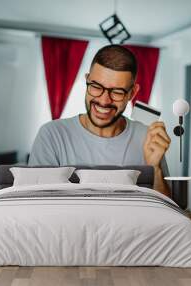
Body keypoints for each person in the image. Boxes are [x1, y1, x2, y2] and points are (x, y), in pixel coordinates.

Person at [29, 44, 171, 197]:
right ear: (87, 80)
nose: (104, 101)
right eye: (96, 86)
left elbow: (169, 210)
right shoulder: (51, 135)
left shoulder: (147, 137)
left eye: (117, 91)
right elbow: (36, 205)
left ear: (132, 93)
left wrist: (155, 169)